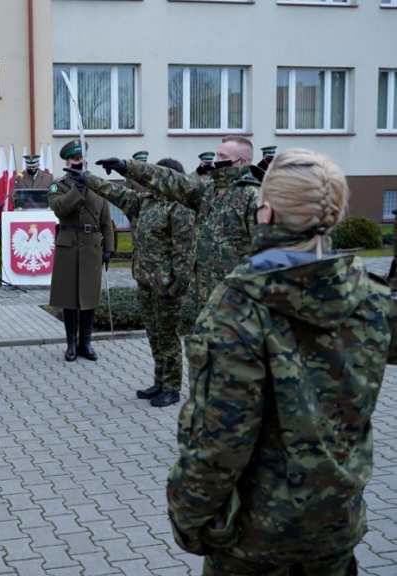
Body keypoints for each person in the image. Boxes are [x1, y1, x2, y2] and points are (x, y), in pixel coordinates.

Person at [167, 148, 397, 576]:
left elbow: (218, 441)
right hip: (335, 526)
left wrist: (190, 519)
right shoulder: (371, 298)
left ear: (266, 212)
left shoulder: (238, 306)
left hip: (252, 541)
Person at [98, 136, 259, 318]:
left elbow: (264, 254)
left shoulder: (253, 197)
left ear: (242, 161)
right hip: (206, 298)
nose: (215, 161)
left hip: (235, 301)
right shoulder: (208, 191)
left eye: (222, 156)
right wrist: (127, 167)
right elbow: (170, 179)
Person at [86, 157, 194, 407]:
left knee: (168, 337)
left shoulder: (180, 207)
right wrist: (86, 178)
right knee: (154, 334)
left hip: (167, 285)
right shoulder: (146, 201)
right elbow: (115, 192)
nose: (151, 178)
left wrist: (178, 285)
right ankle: (159, 381)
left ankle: (172, 387)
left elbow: (185, 251)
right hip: (145, 280)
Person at [49, 140, 114, 362]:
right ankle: (71, 345)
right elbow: (60, 209)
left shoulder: (98, 184)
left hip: (92, 247)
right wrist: (77, 189)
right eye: (74, 159)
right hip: (68, 246)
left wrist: (109, 248)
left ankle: (86, 343)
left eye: (81, 158)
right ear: (67, 162)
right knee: (69, 298)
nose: (78, 162)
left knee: (89, 298)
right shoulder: (58, 186)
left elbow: (107, 220)